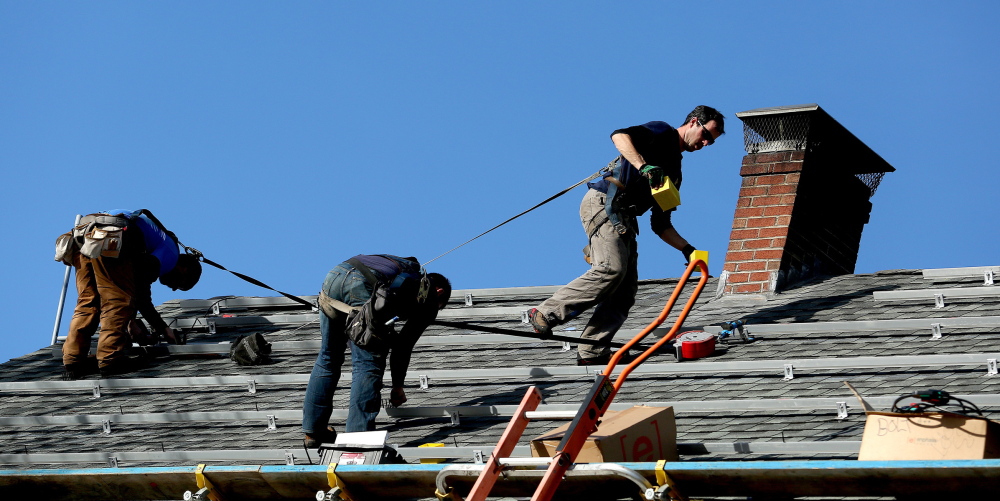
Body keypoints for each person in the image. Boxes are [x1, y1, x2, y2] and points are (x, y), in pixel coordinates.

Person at [527, 106, 725, 365]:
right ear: (695, 122)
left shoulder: (674, 173)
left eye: (712, 141)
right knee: (611, 269)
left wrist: (687, 250)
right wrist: (643, 166)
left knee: (625, 291)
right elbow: (619, 136)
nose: (706, 143)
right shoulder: (662, 132)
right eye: (707, 135)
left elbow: (661, 224)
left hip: (625, 218)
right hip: (605, 203)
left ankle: (594, 350)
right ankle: (544, 313)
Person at [302, 254, 451, 448]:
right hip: (362, 285)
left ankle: (314, 431)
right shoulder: (428, 292)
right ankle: (358, 438)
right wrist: (398, 387)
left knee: (328, 357)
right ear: (439, 292)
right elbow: (403, 346)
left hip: (334, 276)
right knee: (368, 362)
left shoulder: (403, 271)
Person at [60, 209, 202, 379]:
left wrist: (133, 323)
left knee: (89, 302)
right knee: (117, 301)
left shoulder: (158, 241)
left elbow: (134, 287)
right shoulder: (171, 254)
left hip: (83, 234)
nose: (173, 289)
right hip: (111, 235)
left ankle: (74, 361)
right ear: (184, 269)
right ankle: (110, 360)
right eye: (180, 285)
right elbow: (140, 293)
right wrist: (163, 329)